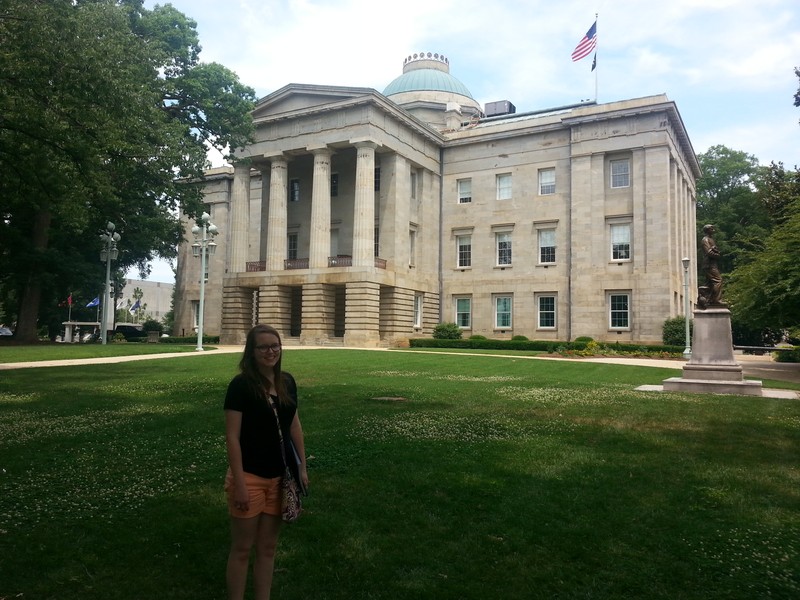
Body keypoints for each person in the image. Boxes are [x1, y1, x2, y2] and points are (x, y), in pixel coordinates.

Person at [224, 324, 309, 600]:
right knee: (242, 549)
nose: (270, 351)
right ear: (252, 351)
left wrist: (302, 467)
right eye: (263, 347)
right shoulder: (241, 386)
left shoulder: (287, 382)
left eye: (275, 346)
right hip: (249, 475)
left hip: (279, 477)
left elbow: (294, 425)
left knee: (268, 548)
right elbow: (232, 437)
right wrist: (239, 483)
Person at [700, 224, 723, 307]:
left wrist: (716, 252)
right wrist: (717, 254)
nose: (713, 230)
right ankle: (717, 300)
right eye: (711, 229)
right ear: (707, 230)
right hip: (709, 265)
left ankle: (708, 300)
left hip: (713, 264)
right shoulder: (705, 240)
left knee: (709, 284)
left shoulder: (711, 239)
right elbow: (709, 252)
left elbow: (715, 250)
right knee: (718, 280)